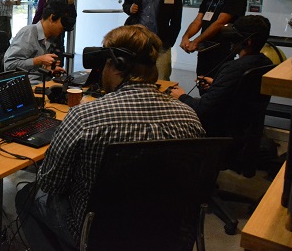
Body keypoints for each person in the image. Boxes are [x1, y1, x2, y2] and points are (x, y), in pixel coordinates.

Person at [15, 24, 205, 251]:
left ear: (118, 66)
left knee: (26, 196)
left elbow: (50, 183)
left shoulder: (85, 118)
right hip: (165, 234)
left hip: (96, 236)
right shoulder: (190, 117)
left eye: (105, 62)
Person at [170, 15, 273, 137]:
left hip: (220, 132)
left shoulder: (234, 68)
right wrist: (217, 85)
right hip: (244, 131)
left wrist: (181, 96)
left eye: (235, 36)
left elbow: (203, 109)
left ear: (248, 41)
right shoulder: (266, 64)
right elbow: (242, 95)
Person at [180, 0, 247, 79]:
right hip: (205, 51)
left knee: (217, 86)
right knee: (201, 82)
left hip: (223, 52)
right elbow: (198, 20)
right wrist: (186, 37)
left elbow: (220, 23)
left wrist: (196, 41)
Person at [123, 0, 182, 80]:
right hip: (137, 40)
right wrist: (130, 8)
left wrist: (169, 42)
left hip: (160, 41)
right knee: (134, 75)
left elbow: (176, 21)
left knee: (162, 76)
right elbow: (126, 4)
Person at [4, 1, 76, 84]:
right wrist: (39, 60)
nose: (63, 29)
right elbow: (9, 65)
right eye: (62, 22)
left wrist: (48, 69)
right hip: (26, 85)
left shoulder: (50, 38)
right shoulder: (29, 33)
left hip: (42, 82)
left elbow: (31, 67)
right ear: (52, 17)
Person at [32, 0, 77, 65]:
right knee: (42, 64)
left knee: (57, 65)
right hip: (43, 36)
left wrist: (71, 4)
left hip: (59, 36)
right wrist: (33, 31)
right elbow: (38, 15)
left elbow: (72, 19)